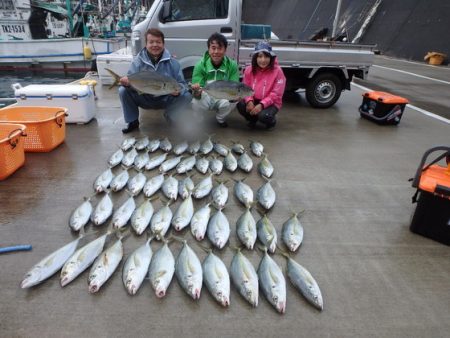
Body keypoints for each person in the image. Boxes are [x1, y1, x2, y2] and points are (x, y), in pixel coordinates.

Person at [118, 28, 191, 133]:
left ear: (163, 44)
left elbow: (182, 84)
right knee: (123, 91)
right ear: (146, 44)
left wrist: (178, 90)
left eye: (158, 42)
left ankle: (171, 116)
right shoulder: (138, 61)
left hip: (166, 98)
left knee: (187, 95)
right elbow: (131, 79)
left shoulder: (173, 62)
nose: (155, 45)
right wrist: (127, 83)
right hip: (144, 98)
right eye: (151, 42)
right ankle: (133, 121)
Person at [191, 32, 240, 128]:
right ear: (208, 50)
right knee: (195, 102)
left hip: (223, 95)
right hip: (206, 95)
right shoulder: (200, 65)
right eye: (213, 48)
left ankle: (220, 119)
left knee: (232, 101)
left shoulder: (232, 65)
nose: (216, 51)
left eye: (220, 48)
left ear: (225, 50)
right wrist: (196, 91)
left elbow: (235, 87)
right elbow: (196, 94)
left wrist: (235, 98)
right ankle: (199, 120)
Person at [237, 41, 286, 130]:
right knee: (240, 105)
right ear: (255, 57)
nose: (263, 60)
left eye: (266, 56)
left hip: (271, 103)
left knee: (264, 116)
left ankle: (271, 122)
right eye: (260, 56)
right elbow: (245, 88)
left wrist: (261, 105)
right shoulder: (249, 69)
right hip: (254, 99)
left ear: (271, 57)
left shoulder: (278, 71)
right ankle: (252, 119)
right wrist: (249, 101)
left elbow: (276, 94)